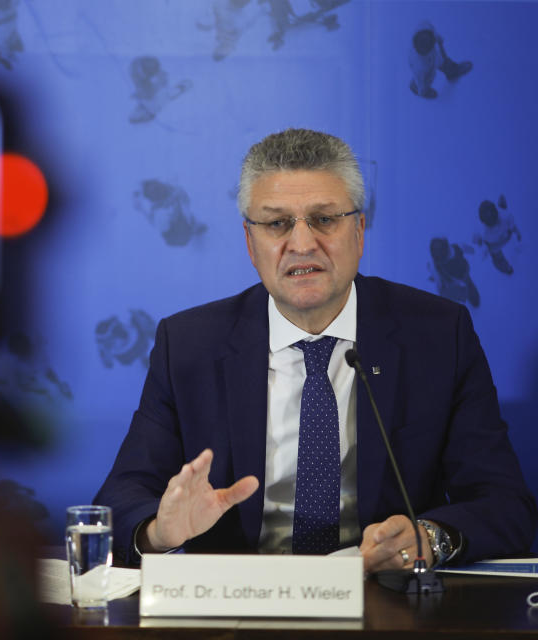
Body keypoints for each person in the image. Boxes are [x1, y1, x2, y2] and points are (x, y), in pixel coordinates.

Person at [94, 128, 536, 574]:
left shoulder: (438, 335)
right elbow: (121, 499)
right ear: (250, 243)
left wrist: (430, 538)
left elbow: (504, 502)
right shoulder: (189, 345)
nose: (302, 244)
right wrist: (159, 532)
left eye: (324, 219)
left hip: (386, 598)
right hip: (239, 602)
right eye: (276, 223)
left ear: (359, 231)